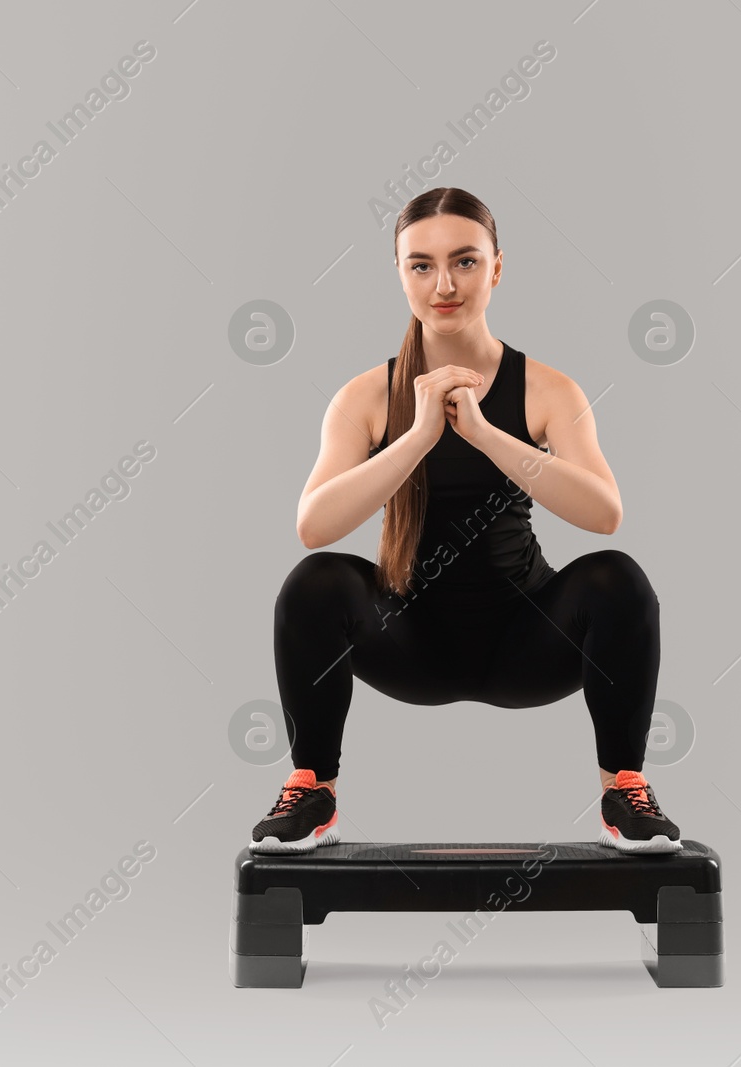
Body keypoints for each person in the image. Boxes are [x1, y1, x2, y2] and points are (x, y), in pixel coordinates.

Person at [250, 187, 682, 855]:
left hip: (527, 642)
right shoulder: (365, 397)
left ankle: (623, 789)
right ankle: (313, 789)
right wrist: (419, 435)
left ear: (497, 268)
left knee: (619, 580)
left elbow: (605, 512)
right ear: (398, 272)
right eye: (420, 265)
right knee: (314, 581)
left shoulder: (546, 388)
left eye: (465, 262)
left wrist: (484, 434)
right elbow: (314, 524)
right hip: (409, 641)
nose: (443, 284)